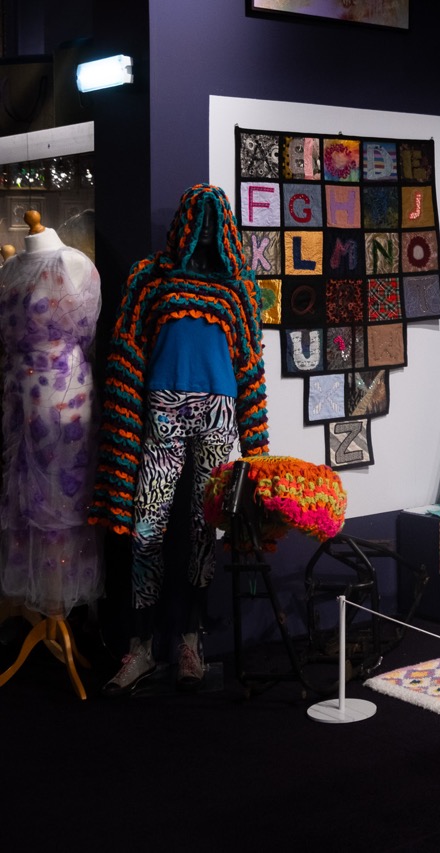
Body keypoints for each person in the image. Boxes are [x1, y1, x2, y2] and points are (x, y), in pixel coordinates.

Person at [91, 184, 269, 695]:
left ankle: (191, 642)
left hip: (219, 415)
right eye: (199, 219)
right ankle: (142, 648)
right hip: (162, 411)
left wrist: (258, 452)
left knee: (202, 529)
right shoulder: (151, 278)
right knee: (146, 527)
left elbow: (250, 368)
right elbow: (126, 348)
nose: (207, 229)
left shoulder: (238, 288)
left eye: (217, 221)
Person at [0, 211, 101, 618]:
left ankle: (59, 602)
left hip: (64, 396)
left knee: (63, 494)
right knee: (24, 492)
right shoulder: (9, 268)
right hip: (19, 395)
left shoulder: (73, 263)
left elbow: (88, 329)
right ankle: (34, 602)